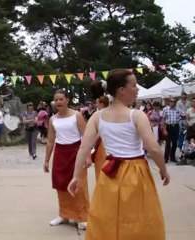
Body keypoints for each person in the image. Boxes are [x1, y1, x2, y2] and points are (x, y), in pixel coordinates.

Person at [68, 69, 169, 240]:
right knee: (138, 218)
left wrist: (76, 176)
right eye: (134, 85)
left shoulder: (97, 117)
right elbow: (154, 148)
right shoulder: (136, 115)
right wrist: (163, 170)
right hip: (135, 172)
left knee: (108, 217)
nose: (137, 89)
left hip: (109, 172)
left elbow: (84, 148)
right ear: (122, 90)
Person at [43, 89, 89, 230]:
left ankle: (82, 217)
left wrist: (88, 155)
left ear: (67, 100)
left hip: (76, 152)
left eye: (61, 99)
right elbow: (50, 141)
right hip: (60, 153)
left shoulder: (77, 115)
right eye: (56, 100)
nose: (58, 102)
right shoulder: (53, 119)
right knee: (61, 184)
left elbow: (86, 136)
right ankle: (63, 214)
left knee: (79, 186)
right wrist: (46, 160)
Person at [92, 95, 109, 180]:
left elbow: (100, 131)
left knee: (101, 163)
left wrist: (92, 142)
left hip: (103, 143)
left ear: (102, 104)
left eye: (97, 103)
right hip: (108, 141)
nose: (96, 104)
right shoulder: (111, 112)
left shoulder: (99, 114)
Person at [162, 98, 182, 163]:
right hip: (169, 127)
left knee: (175, 143)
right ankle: (166, 158)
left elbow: (182, 116)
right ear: (169, 102)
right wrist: (164, 129)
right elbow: (163, 120)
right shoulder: (165, 109)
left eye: (174, 101)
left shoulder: (178, 109)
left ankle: (172, 157)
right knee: (168, 143)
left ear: (175, 102)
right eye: (171, 101)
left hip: (176, 127)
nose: (172, 102)